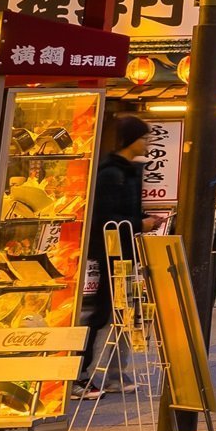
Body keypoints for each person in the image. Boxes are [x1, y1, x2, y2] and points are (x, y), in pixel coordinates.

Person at [82, 115, 152, 372]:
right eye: (144, 138)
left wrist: (142, 220)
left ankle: (114, 373)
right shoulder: (112, 173)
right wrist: (138, 224)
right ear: (131, 140)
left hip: (125, 252)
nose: (148, 143)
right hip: (112, 253)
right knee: (102, 313)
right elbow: (105, 218)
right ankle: (79, 372)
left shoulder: (129, 172)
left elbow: (123, 212)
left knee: (123, 311)